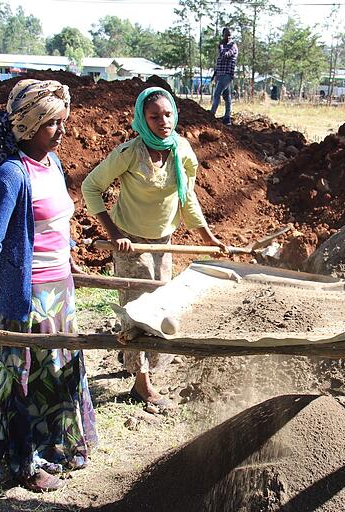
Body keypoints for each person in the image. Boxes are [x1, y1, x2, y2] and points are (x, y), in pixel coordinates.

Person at [0, 79, 98, 492]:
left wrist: (70, 261)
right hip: (28, 295)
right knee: (23, 377)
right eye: (53, 124)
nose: (62, 131)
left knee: (59, 371)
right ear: (27, 126)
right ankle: (23, 462)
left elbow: (56, 224)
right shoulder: (10, 175)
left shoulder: (51, 164)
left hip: (60, 289)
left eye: (62, 121)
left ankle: (54, 447)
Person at [81, 86, 226, 408]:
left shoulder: (182, 151)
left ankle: (137, 361)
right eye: (154, 116)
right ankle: (141, 382)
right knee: (136, 309)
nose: (163, 122)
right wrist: (114, 232)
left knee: (160, 303)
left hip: (164, 241)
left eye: (168, 114)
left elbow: (187, 199)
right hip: (130, 242)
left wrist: (207, 237)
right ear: (142, 120)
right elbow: (91, 186)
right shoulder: (129, 153)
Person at [210, 27, 238, 125]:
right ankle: (227, 118)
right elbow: (220, 62)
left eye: (229, 35)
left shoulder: (233, 46)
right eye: (226, 35)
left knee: (217, 93)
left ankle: (211, 114)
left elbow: (225, 55)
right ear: (223, 35)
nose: (228, 37)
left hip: (227, 75)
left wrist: (221, 46)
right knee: (227, 97)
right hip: (220, 74)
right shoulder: (223, 46)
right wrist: (214, 74)